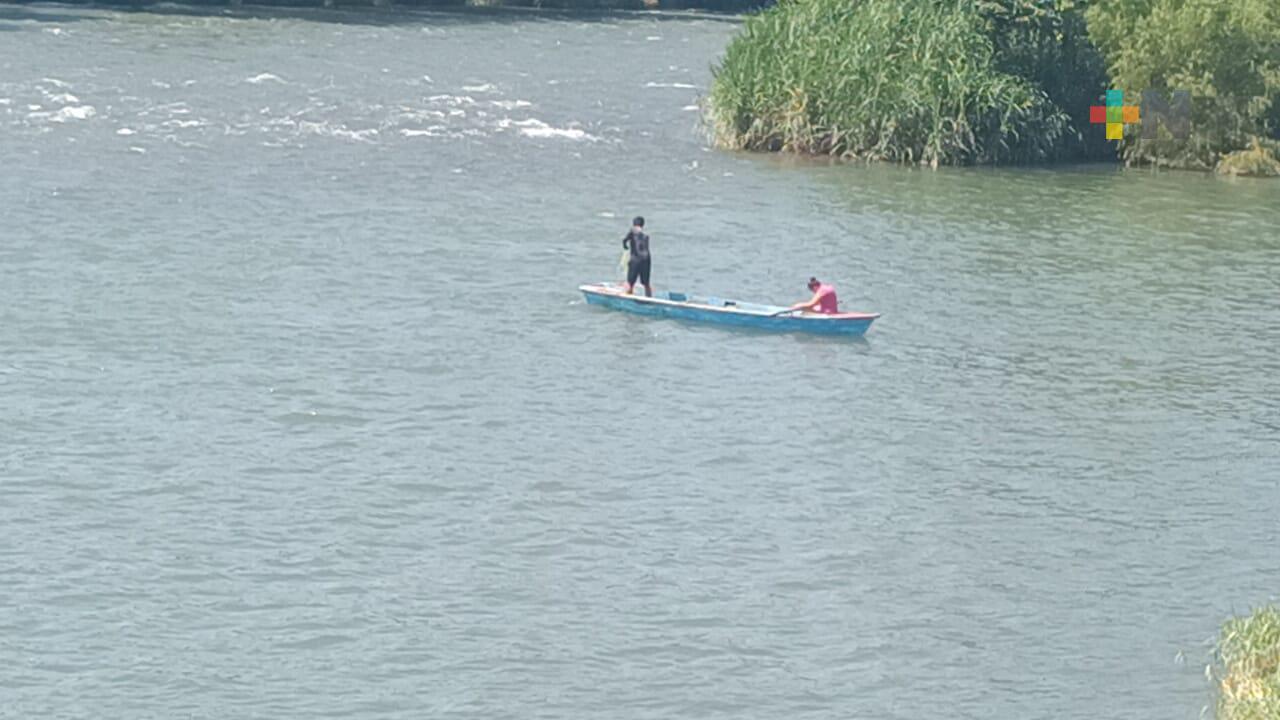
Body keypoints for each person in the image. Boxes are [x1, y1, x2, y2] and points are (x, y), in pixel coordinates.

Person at [622, 216, 652, 297]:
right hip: (647, 259)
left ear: (634, 224)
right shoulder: (646, 235)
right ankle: (649, 299)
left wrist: (625, 246)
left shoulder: (632, 231)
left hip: (636, 259)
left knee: (630, 282)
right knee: (646, 283)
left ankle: (628, 298)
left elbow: (624, 240)